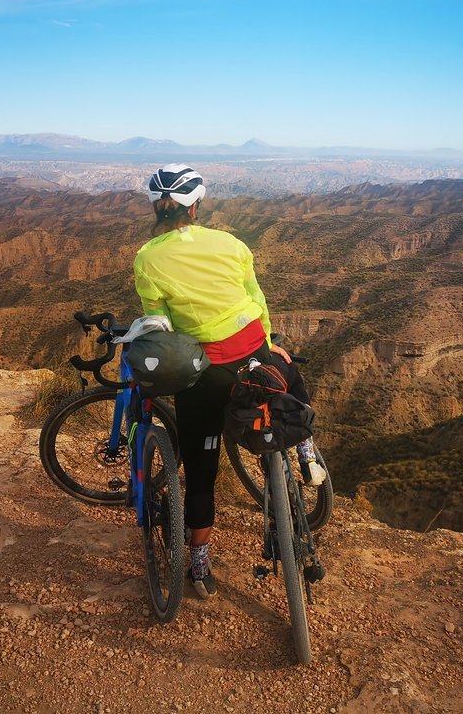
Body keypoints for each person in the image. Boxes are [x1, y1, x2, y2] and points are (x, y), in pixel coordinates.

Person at [132, 164, 325, 598]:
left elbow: (160, 324)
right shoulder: (231, 243)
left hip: (204, 375)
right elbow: (256, 299)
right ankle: (306, 444)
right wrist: (267, 342)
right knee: (289, 374)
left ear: (158, 207)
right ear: (196, 206)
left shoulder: (147, 258)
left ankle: (199, 564)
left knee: (201, 472)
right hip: (255, 356)